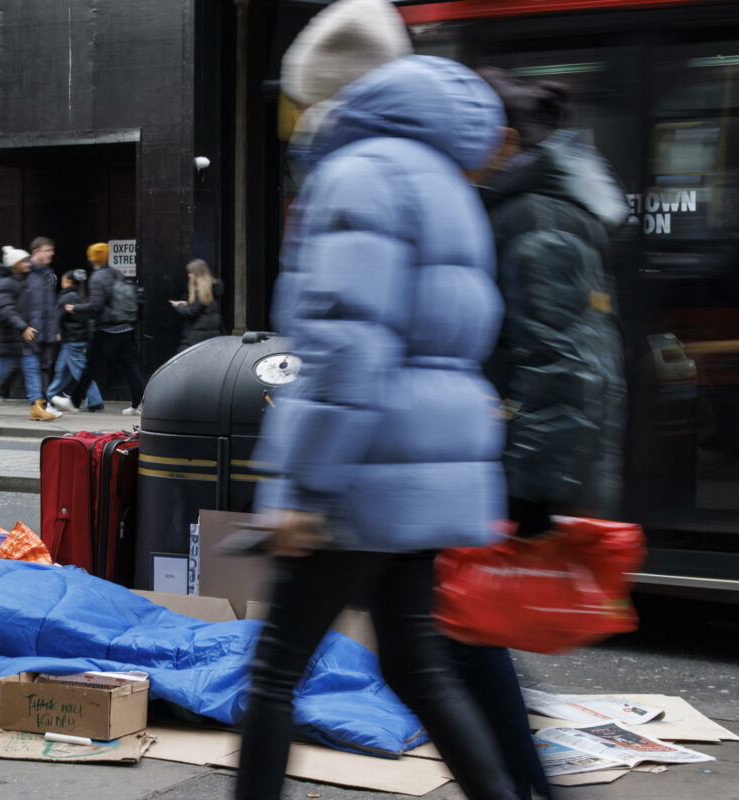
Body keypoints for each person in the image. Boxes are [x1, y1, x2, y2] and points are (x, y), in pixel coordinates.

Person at [234, 7, 523, 800]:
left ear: (326, 96)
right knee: (417, 668)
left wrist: (302, 490)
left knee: (270, 675)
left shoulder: (355, 174)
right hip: (423, 471)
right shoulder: (445, 179)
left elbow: (344, 346)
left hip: (360, 473)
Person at [443, 67, 630, 800]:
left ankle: (523, 787)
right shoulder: (530, 207)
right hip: (513, 452)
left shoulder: (536, 217)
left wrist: (523, 485)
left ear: (506, 140)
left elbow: (560, 359)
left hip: (517, 460)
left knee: (458, 636)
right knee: (462, 636)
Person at [0, 247, 61, 421]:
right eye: (24, 261)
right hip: (5, 337)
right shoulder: (4, 283)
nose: (28, 263)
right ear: (15, 265)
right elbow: (6, 309)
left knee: (32, 369)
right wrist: (23, 327)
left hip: (21, 336)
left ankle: (36, 406)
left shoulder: (22, 281)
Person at [50, 242, 144, 416]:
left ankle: (74, 401)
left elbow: (96, 306)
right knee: (130, 366)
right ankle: (139, 404)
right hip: (125, 326)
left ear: (92, 258)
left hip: (108, 328)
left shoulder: (97, 277)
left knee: (91, 366)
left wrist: (75, 308)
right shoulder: (116, 273)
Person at [47, 267, 104, 411]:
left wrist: (55, 331)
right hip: (78, 339)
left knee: (79, 372)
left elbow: (56, 317)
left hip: (72, 340)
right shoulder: (82, 295)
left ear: (68, 281)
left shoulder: (66, 297)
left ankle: (95, 400)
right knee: (62, 371)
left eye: (62, 280)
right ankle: (50, 396)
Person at [27, 236, 61, 397]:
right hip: (30, 329)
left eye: (52, 251)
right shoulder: (26, 272)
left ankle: (43, 402)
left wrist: (55, 329)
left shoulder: (48, 275)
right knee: (20, 366)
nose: (51, 254)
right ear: (35, 252)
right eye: (47, 250)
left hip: (47, 330)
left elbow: (51, 305)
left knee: (45, 366)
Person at [169, 258, 224, 352]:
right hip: (210, 337)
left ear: (197, 274)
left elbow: (192, 312)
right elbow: (202, 307)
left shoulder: (200, 291)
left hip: (197, 339)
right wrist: (187, 304)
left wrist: (178, 306)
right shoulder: (211, 288)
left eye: (190, 273)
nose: (189, 275)